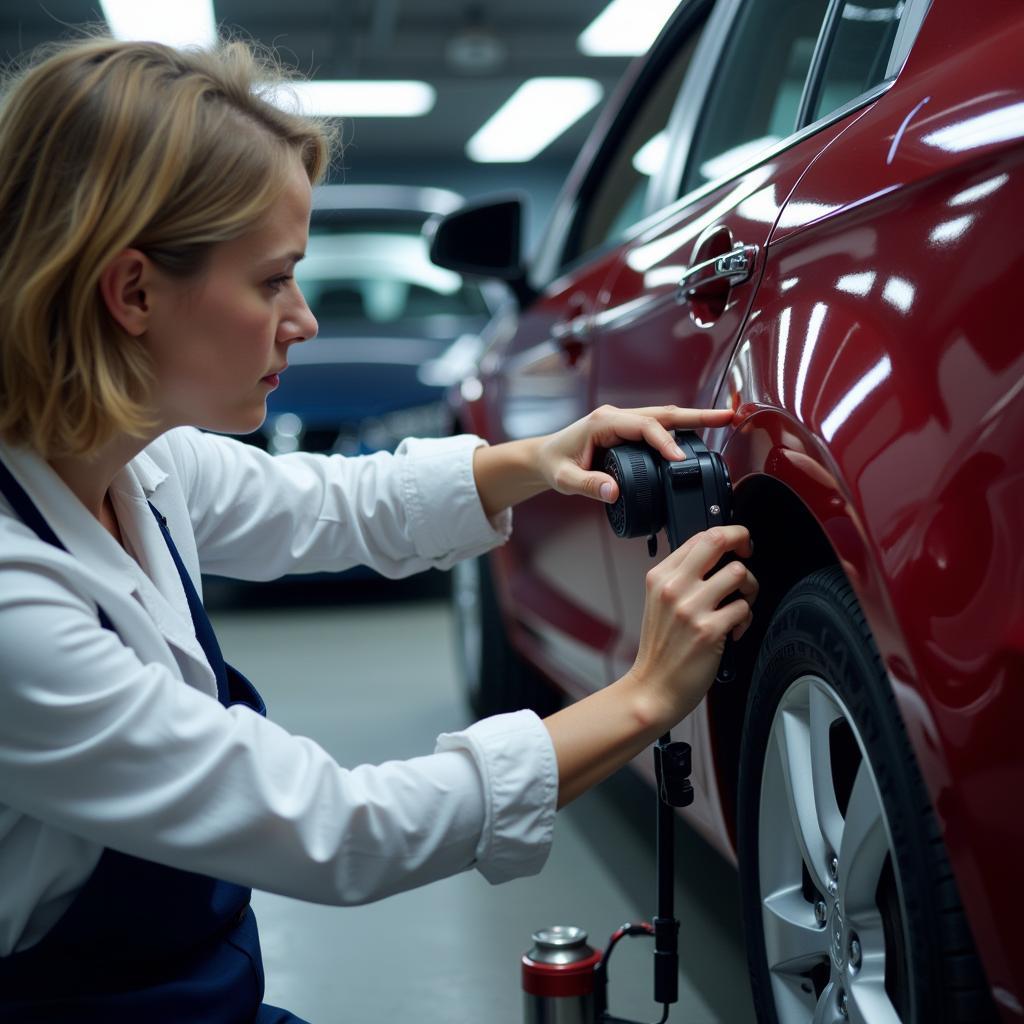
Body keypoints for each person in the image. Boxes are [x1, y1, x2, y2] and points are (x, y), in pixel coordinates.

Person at [0, 36, 757, 1023]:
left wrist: (535, 459)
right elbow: (340, 828)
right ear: (133, 291)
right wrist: (645, 696)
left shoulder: (134, 461)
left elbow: (329, 503)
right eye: (272, 280)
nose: (302, 319)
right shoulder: (17, 606)